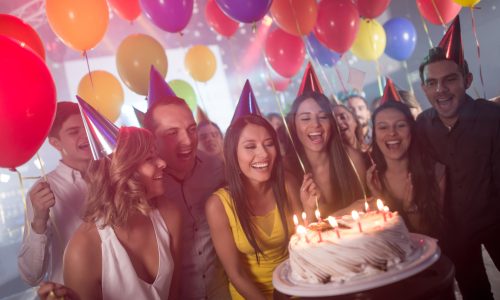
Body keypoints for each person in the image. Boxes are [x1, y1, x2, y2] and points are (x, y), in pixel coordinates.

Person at [416, 46, 500, 299]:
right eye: (432, 83)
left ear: (467, 80)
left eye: (450, 79)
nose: (440, 89)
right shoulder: (422, 125)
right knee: (475, 293)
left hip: (497, 221)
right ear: (424, 89)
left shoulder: (492, 116)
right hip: (455, 230)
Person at [61, 127, 182, 299]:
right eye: (149, 158)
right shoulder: (82, 249)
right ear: (124, 171)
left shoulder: (169, 214)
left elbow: (175, 294)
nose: (162, 163)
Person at [205, 115, 303, 299]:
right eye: (250, 147)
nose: (263, 154)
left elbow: (306, 242)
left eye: (269, 144)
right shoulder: (218, 205)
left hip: (295, 286)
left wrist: (310, 207)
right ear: (233, 154)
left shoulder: (287, 183)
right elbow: (236, 273)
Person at [143, 96, 230, 299]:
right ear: (151, 137)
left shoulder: (217, 167)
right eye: (172, 132)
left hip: (223, 288)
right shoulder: (145, 184)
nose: (188, 140)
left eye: (192, 129)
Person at [18, 102, 91, 286]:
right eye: (74, 131)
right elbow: (31, 275)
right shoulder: (42, 191)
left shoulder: (115, 176)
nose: (86, 135)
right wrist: (39, 220)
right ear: (55, 142)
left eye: (87, 127)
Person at [367, 101, 444, 236]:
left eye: (400, 125)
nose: (392, 133)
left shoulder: (437, 171)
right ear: (374, 134)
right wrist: (378, 196)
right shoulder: (372, 178)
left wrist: (411, 208)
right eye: (383, 127)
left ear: (411, 130)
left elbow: (434, 234)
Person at [286, 92, 365, 218]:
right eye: (306, 118)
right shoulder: (287, 172)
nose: (316, 124)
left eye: (323, 117)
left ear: (332, 123)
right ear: (293, 125)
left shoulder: (352, 159)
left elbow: (368, 207)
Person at [331, 104, 369, 186]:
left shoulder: (372, 152)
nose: (338, 122)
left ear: (355, 121)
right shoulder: (333, 163)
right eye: (333, 121)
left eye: (342, 117)